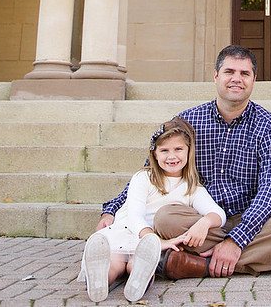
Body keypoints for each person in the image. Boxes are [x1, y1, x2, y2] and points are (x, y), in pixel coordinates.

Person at [150, 45, 271, 278]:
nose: (236, 79)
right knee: (165, 218)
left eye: (244, 74)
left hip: (257, 222)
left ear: (254, 80)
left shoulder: (269, 126)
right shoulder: (187, 121)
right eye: (229, 72)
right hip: (204, 220)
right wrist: (111, 210)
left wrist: (236, 240)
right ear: (215, 76)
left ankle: (197, 265)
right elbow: (152, 169)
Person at [80, 117, 225, 303]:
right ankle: (99, 279)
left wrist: (205, 222)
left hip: (148, 247)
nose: (171, 156)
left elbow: (218, 213)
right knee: (114, 263)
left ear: (189, 152)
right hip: (128, 232)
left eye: (178, 149)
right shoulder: (143, 178)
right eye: (164, 150)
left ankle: (138, 281)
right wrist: (156, 240)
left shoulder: (192, 188)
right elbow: (134, 216)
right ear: (155, 154)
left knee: (139, 262)